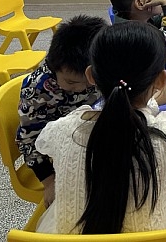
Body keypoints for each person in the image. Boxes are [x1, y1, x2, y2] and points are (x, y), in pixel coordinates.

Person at [34, 22, 166, 241]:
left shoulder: (63, 130)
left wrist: (150, 102)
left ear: (90, 75)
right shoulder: (165, 138)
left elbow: (49, 140)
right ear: (162, 79)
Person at [17, 15, 107, 208]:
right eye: (71, 82)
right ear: (53, 66)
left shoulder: (101, 68)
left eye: (89, 82)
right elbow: (28, 140)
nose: (81, 88)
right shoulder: (38, 90)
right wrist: (49, 181)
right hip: (58, 149)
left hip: (91, 134)